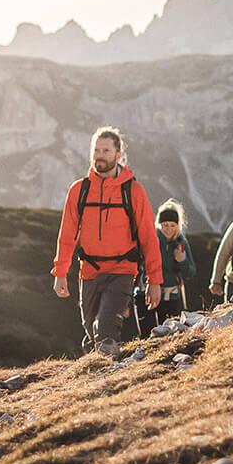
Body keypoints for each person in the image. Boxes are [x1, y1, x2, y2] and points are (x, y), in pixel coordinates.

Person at [51, 125, 162, 354]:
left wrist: (154, 280)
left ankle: (107, 380)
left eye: (105, 151)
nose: (99, 156)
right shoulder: (79, 190)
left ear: (118, 155)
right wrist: (60, 272)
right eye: (96, 151)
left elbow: (149, 238)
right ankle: (95, 374)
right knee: (91, 332)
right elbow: (67, 235)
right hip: (89, 271)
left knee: (106, 328)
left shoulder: (133, 191)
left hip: (122, 270)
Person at [145, 199, 197, 333]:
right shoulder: (152, 240)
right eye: (165, 225)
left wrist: (182, 260)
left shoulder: (181, 243)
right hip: (152, 294)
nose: (168, 229)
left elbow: (190, 273)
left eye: (172, 225)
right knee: (151, 333)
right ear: (159, 224)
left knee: (171, 333)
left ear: (178, 226)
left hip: (173, 297)